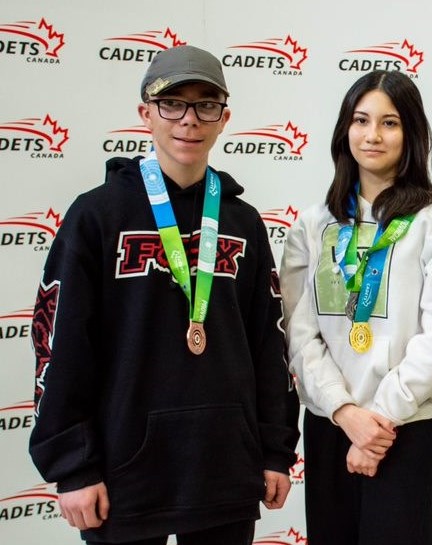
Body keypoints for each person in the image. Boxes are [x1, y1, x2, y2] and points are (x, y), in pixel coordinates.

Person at [27, 45, 300, 544]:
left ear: (224, 119)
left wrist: (275, 449)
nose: (189, 120)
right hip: (124, 474)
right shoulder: (96, 216)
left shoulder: (242, 222)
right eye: (172, 103)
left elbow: (270, 344)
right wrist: (73, 465)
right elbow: (58, 342)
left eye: (205, 105)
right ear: (145, 114)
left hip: (224, 468)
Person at [280, 70, 432, 545]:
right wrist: (345, 411)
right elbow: (299, 334)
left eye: (389, 123)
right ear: (344, 130)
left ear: (411, 134)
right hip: (330, 425)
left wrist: (379, 422)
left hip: (403, 430)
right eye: (361, 120)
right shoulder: (313, 224)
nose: (372, 135)